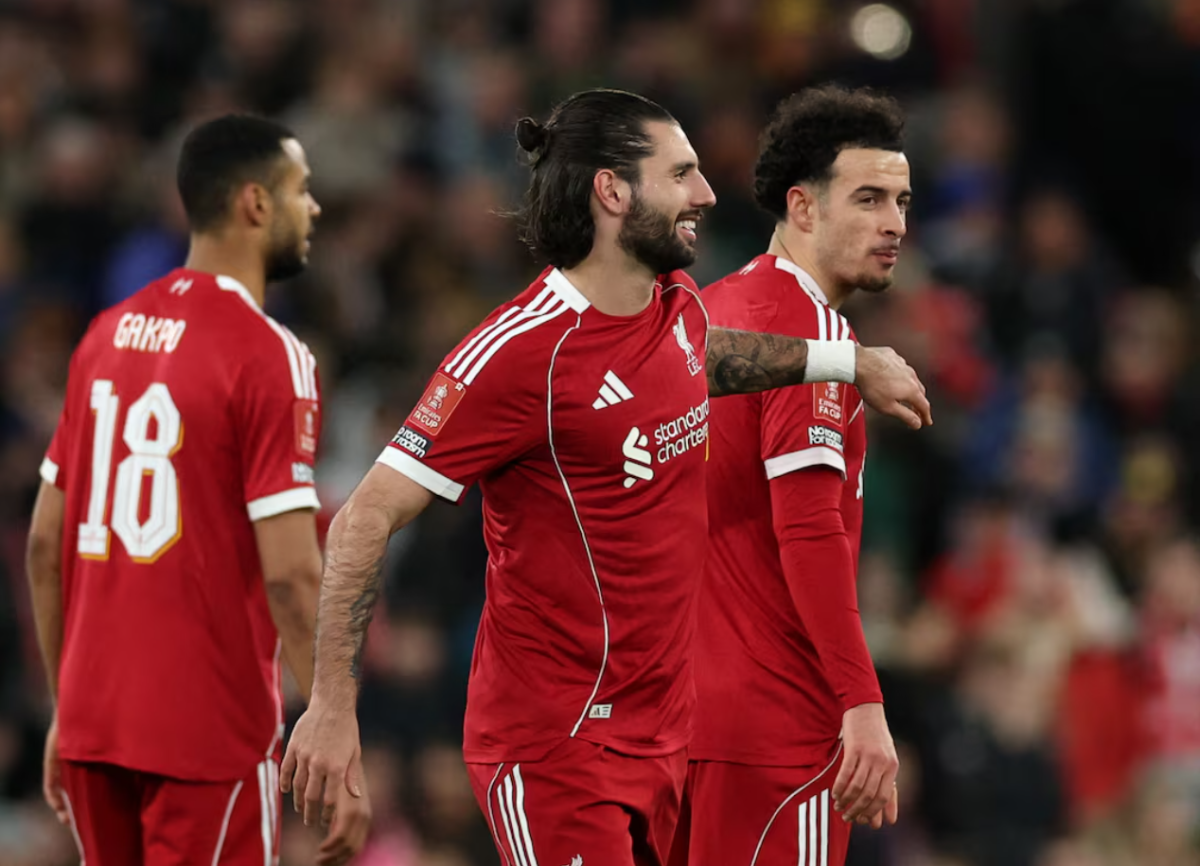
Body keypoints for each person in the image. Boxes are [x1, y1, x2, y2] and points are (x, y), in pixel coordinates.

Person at [280, 89, 929, 866]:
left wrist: (848, 361)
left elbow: (707, 355)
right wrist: (332, 706)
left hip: (662, 740)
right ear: (612, 191)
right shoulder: (520, 354)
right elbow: (364, 516)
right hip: (556, 749)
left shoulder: (674, 305)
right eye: (680, 174)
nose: (706, 193)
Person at [25, 114, 369, 866]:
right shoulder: (269, 354)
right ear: (255, 203)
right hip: (205, 734)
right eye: (301, 190)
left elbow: (45, 544)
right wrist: (334, 731)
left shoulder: (103, 337)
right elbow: (291, 574)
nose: (313, 208)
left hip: (91, 726)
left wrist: (64, 707)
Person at [671, 85, 910, 866]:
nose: (894, 224)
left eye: (902, 202)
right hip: (778, 728)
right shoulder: (812, 337)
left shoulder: (713, 311)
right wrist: (861, 701)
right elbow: (807, 530)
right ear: (802, 207)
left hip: (682, 723)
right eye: (868, 199)